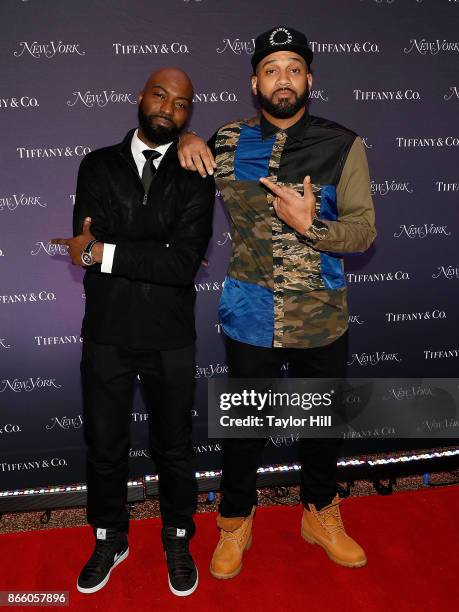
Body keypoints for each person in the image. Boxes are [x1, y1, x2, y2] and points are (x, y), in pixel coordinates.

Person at [178, 26, 376, 578]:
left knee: (321, 427)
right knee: (242, 431)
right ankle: (235, 523)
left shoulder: (343, 144)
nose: (282, 79)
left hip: (321, 316)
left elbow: (363, 232)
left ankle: (319, 515)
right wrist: (186, 138)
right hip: (250, 313)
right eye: (271, 69)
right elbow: (155, 147)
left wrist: (315, 227)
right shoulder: (225, 141)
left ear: (309, 78)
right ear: (254, 82)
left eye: (293, 68)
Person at [52, 67, 215, 596]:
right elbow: (85, 246)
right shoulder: (97, 166)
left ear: (191, 114)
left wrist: (110, 252)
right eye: (160, 95)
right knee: (105, 444)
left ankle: (176, 535)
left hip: (170, 336)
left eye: (182, 104)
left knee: (174, 445)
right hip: (107, 332)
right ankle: (109, 536)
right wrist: (119, 252)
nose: (168, 108)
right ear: (139, 97)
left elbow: (182, 263)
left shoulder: (197, 171)